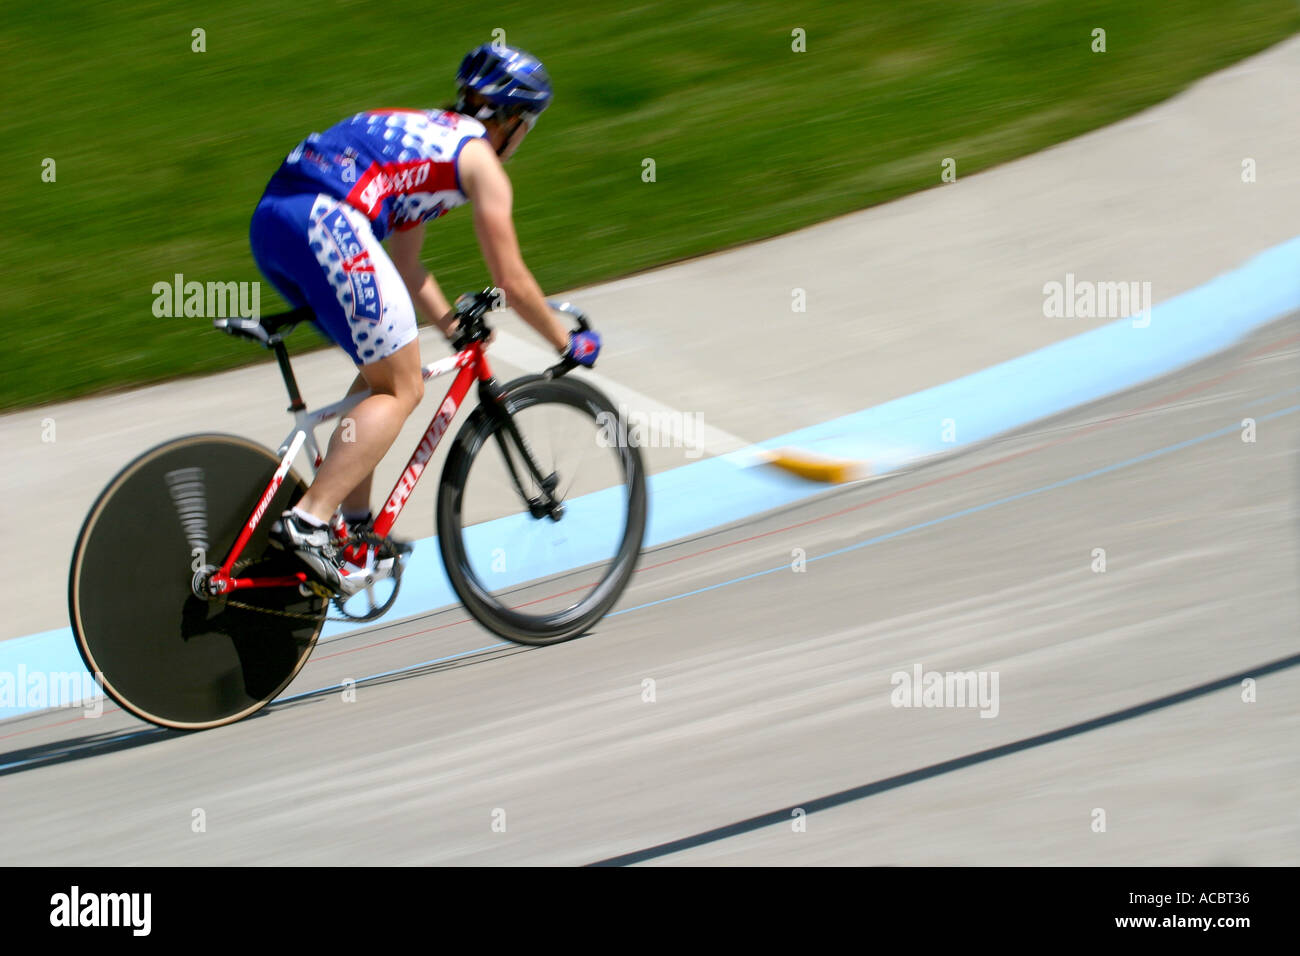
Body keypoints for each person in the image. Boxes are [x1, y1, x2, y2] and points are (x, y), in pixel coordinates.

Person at [248, 42, 599, 594]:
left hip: (275, 222)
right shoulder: (481, 162)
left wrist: (451, 326)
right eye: (527, 125)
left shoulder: (429, 133)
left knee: (379, 377)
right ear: (513, 121)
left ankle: (352, 530)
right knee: (403, 387)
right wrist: (566, 343)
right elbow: (512, 279)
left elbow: (406, 266)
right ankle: (310, 519)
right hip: (327, 221)